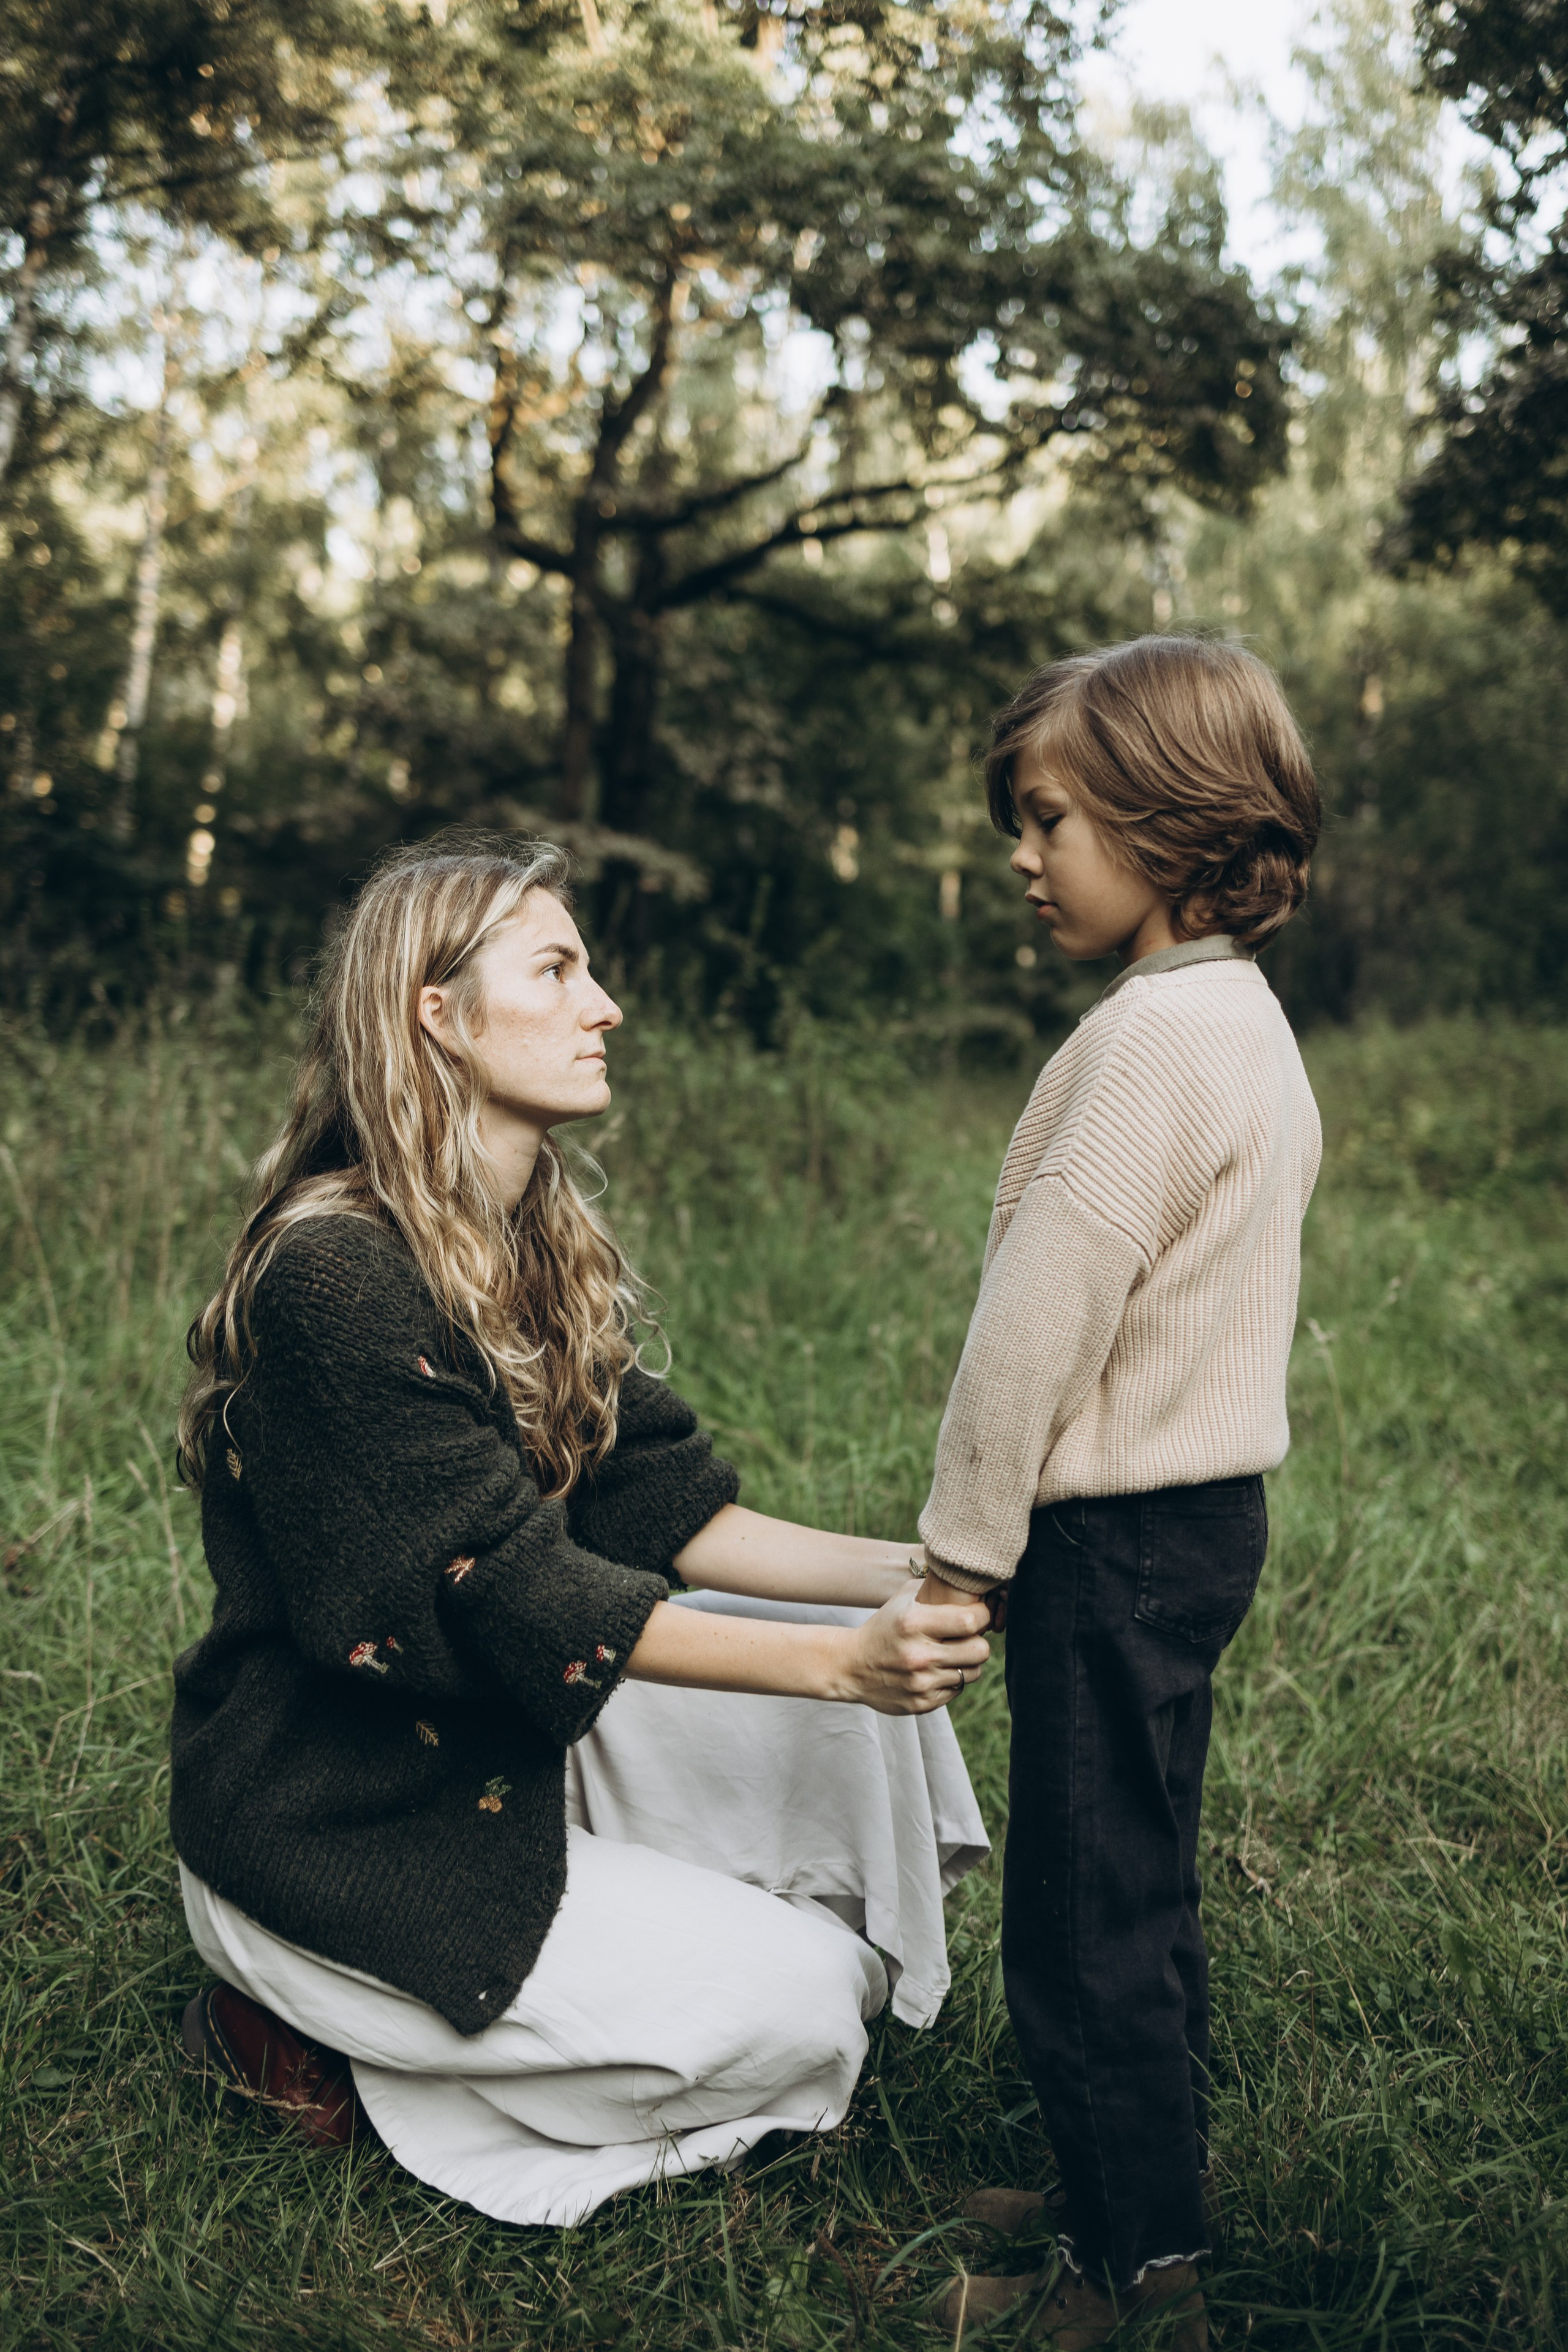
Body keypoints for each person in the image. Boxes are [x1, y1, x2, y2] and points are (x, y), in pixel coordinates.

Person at [171, 835, 992, 2230]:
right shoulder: (334, 1279)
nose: (604, 1003)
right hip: (344, 1827)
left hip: (489, 1742)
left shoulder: (519, 1235)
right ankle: (326, 2045)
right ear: (438, 1013)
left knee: (848, 1699)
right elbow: (509, 1590)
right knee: (804, 2008)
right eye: (556, 969)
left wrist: (928, 1574)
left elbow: (668, 1508)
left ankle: (663, 1947)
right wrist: (845, 1664)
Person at [914, 638, 1322, 2350]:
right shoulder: (1244, 1024)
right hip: (1205, 1524)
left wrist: (960, 1554)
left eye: (1052, 817)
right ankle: (1130, 2178)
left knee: (1083, 1914)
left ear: (1170, 828)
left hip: (1107, 1535)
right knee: (1142, 1879)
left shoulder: (1142, 1050)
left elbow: (1035, 1336)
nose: (1024, 852)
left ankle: (1134, 2279)